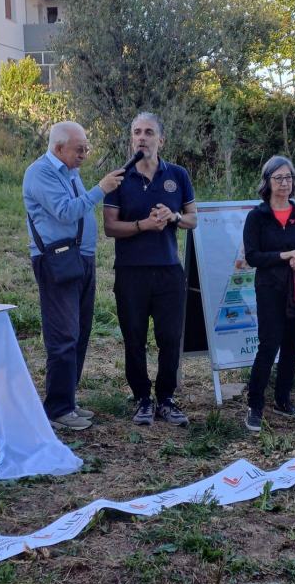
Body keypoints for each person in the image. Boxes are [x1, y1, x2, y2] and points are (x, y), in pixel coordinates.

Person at [23, 121, 124, 430]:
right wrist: (101, 189)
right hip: (57, 261)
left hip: (80, 259)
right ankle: (57, 408)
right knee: (63, 335)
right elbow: (66, 211)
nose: (85, 154)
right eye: (80, 149)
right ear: (58, 148)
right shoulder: (40, 173)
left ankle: (68, 401)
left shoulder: (70, 172)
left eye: (86, 148)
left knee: (79, 333)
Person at [103, 112, 197, 427]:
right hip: (131, 272)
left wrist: (172, 218)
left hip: (169, 271)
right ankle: (143, 398)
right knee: (134, 338)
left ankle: (166, 399)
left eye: (149, 132)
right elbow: (110, 228)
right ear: (132, 138)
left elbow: (192, 219)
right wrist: (144, 225)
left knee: (170, 337)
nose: (142, 137)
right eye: (137, 132)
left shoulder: (179, 175)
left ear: (161, 139)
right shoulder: (118, 178)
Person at [242, 155, 295, 433]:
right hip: (270, 290)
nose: (285, 183)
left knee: (291, 347)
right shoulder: (257, 217)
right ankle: (255, 405)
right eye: (279, 178)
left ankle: (283, 400)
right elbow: (252, 256)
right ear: (267, 182)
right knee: (268, 345)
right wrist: (283, 255)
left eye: (289, 178)